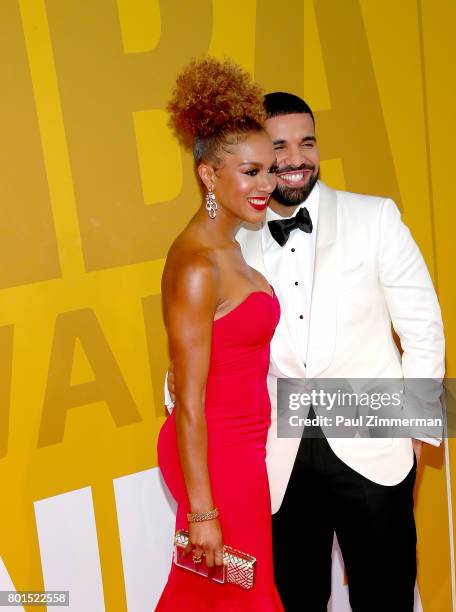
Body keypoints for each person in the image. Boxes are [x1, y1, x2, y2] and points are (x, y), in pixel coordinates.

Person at [167, 92, 445, 611]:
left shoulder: (375, 217)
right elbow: (198, 358)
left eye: (308, 142)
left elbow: (423, 330)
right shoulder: (230, 243)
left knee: (386, 596)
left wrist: (414, 434)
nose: (295, 159)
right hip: (276, 461)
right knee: (294, 599)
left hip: (373, 445)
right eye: (279, 148)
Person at [156, 57, 283, 611]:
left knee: (221, 597)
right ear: (210, 175)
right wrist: (203, 511)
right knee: (242, 597)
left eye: (269, 170)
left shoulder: (228, 247)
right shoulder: (195, 263)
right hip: (215, 456)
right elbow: (187, 401)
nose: (267, 185)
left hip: (240, 451)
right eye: (250, 172)